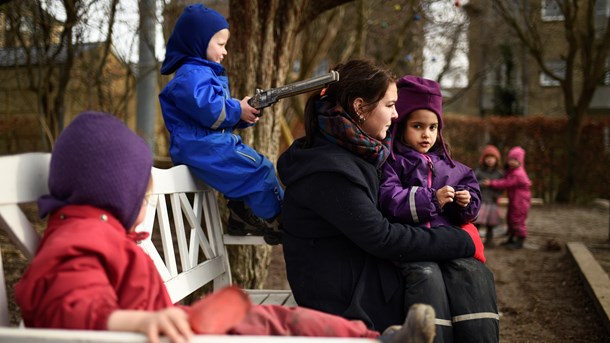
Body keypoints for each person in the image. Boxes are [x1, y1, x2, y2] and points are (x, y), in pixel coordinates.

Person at [14, 111, 438, 343]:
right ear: (113, 193)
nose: (144, 207)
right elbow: (68, 309)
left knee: (274, 319)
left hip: (177, 325)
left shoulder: (96, 233)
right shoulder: (80, 241)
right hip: (166, 333)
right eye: (142, 196)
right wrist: (133, 325)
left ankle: (373, 339)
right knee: (272, 325)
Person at [277, 59, 488, 341]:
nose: (396, 114)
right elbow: (382, 237)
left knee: (468, 272)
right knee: (440, 274)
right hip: (343, 298)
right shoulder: (331, 170)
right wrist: (462, 240)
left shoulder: (354, 151)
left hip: (360, 273)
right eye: (389, 105)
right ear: (360, 107)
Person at [378, 75, 499, 342]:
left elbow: (472, 202)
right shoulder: (393, 163)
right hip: (414, 245)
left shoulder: (454, 168)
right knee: (427, 278)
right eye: (417, 126)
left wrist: (465, 204)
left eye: (433, 127)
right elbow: (390, 198)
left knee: (474, 275)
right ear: (401, 126)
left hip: (448, 244)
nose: (426, 134)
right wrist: (431, 199)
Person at [158, 4, 282, 244]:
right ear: (198, 41)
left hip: (206, 143)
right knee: (260, 169)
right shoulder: (191, 75)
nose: (225, 52)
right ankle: (281, 219)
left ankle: (240, 216)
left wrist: (242, 115)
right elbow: (209, 109)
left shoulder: (200, 73)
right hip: (201, 147)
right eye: (221, 44)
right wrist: (237, 109)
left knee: (249, 168)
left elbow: (212, 115)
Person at [482, 146, 531, 250]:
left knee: (517, 219)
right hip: (515, 199)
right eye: (510, 159)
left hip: (521, 200)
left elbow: (506, 183)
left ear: (520, 161)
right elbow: (505, 176)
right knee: (510, 218)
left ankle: (520, 240)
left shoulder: (518, 173)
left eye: (515, 160)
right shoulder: (512, 171)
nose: (512, 162)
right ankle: (512, 238)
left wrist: (491, 183)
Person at [474, 145, 504, 247]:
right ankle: (474, 240)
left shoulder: (499, 173)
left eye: (492, 158)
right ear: (484, 159)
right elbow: (472, 183)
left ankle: (489, 241)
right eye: (488, 157)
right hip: (481, 201)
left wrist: (497, 194)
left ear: (496, 159)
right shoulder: (479, 171)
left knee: (491, 223)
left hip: (492, 201)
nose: (490, 160)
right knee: (477, 222)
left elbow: (502, 186)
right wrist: (481, 184)